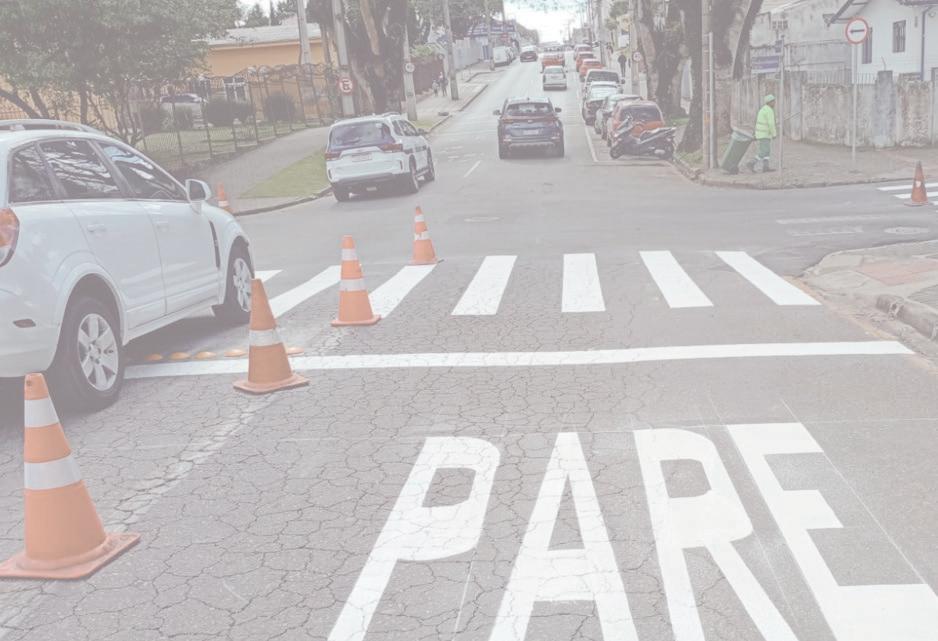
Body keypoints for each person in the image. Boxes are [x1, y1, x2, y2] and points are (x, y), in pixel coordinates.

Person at [749, 94, 777, 172]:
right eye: (773, 101)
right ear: (769, 102)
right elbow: (771, 124)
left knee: (767, 151)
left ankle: (766, 167)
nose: (774, 103)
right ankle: (751, 163)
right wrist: (774, 134)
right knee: (764, 151)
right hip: (765, 134)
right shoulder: (769, 110)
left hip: (761, 134)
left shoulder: (763, 109)